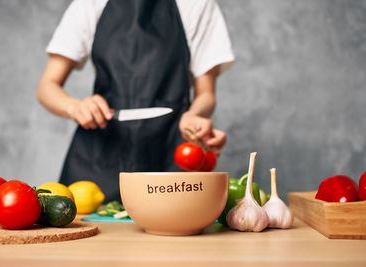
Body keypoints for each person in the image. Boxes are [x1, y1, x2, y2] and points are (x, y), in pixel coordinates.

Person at [37, 0, 235, 201]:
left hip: (169, 156)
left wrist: (194, 115)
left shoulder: (197, 4)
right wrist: (75, 107)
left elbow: (206, 94)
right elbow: (47, 87)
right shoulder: (90, 4)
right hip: (98, 159)